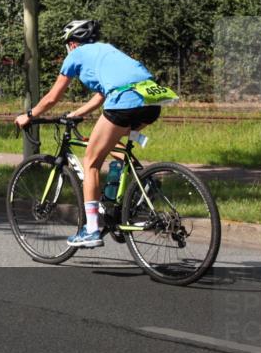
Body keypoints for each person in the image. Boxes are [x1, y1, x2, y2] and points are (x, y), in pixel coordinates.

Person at [14, 20, 161, 248]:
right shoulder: (107, 50)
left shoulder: (76, 54)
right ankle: (143, 184)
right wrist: (77, 113)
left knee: (91, 161)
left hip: (124, 101)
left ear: (72, 43)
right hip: (152, 101)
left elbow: (53, 97)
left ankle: (91, 229)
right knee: (107, 144)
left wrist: (29, 115)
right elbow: (102, 95)